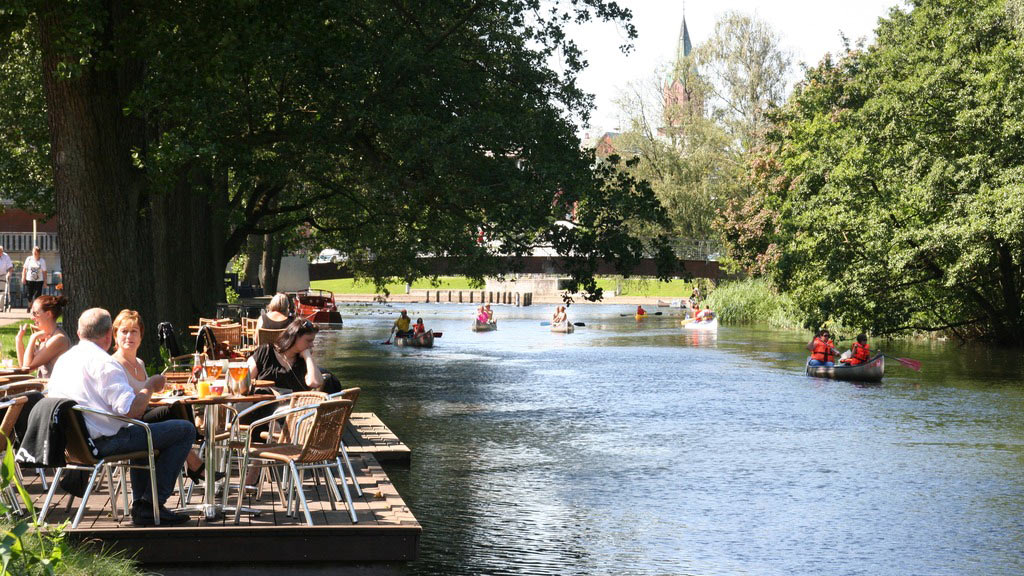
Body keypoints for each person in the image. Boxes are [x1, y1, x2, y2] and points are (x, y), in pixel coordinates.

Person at [48, 308, 195, 526]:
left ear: (79, 334)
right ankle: (152, 503)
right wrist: (150, 386)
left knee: (143, 430)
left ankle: (144, 505)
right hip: (102, 442)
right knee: (185, 430)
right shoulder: (105, 364)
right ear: (109, 335)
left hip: (71, 444)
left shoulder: (64, 361)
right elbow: (131, 410)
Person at [110, 309, 213, 483]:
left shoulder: (139, 363)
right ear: (115, 335)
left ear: (140, 336)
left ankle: (191, 459)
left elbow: (148, 393)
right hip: (129, 423)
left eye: (134, 331)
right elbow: (129, 403)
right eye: (124, 331)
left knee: (181, 402)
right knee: (175, 408)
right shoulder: (113, 365)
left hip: (146, 414)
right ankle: (193, 461)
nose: (129, 336)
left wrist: (165, 387)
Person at [246, 318, 326, 393]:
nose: (312, 345)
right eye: (309, 341)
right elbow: (245, 380)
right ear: (295, 337)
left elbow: (315, 383)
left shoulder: (304, 361)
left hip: (294, 406)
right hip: (265, 404)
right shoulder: (266, 352)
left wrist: (308, 356)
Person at [16, 295, 71, 378]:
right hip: (45, 388)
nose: (32, 317)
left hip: (53, 390)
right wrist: (18, 340)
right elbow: (23, 366)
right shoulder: (46, 335)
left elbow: (26, 368)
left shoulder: (58, 339)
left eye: (35, 313)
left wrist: (32, 338)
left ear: (48, 314)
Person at [22, 246, 46, 312]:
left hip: (39, 280)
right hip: (29, 279)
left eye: (36, 252)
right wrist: (23, 277)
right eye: (33, 252)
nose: (34, 253)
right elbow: (24, 269)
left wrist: (45, 282)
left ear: (39, 253)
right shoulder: (29, 259)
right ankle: (29, 306)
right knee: (29, 294)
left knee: (37, 295)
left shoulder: (42, 261)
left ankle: (35, 308)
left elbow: (44, 272)